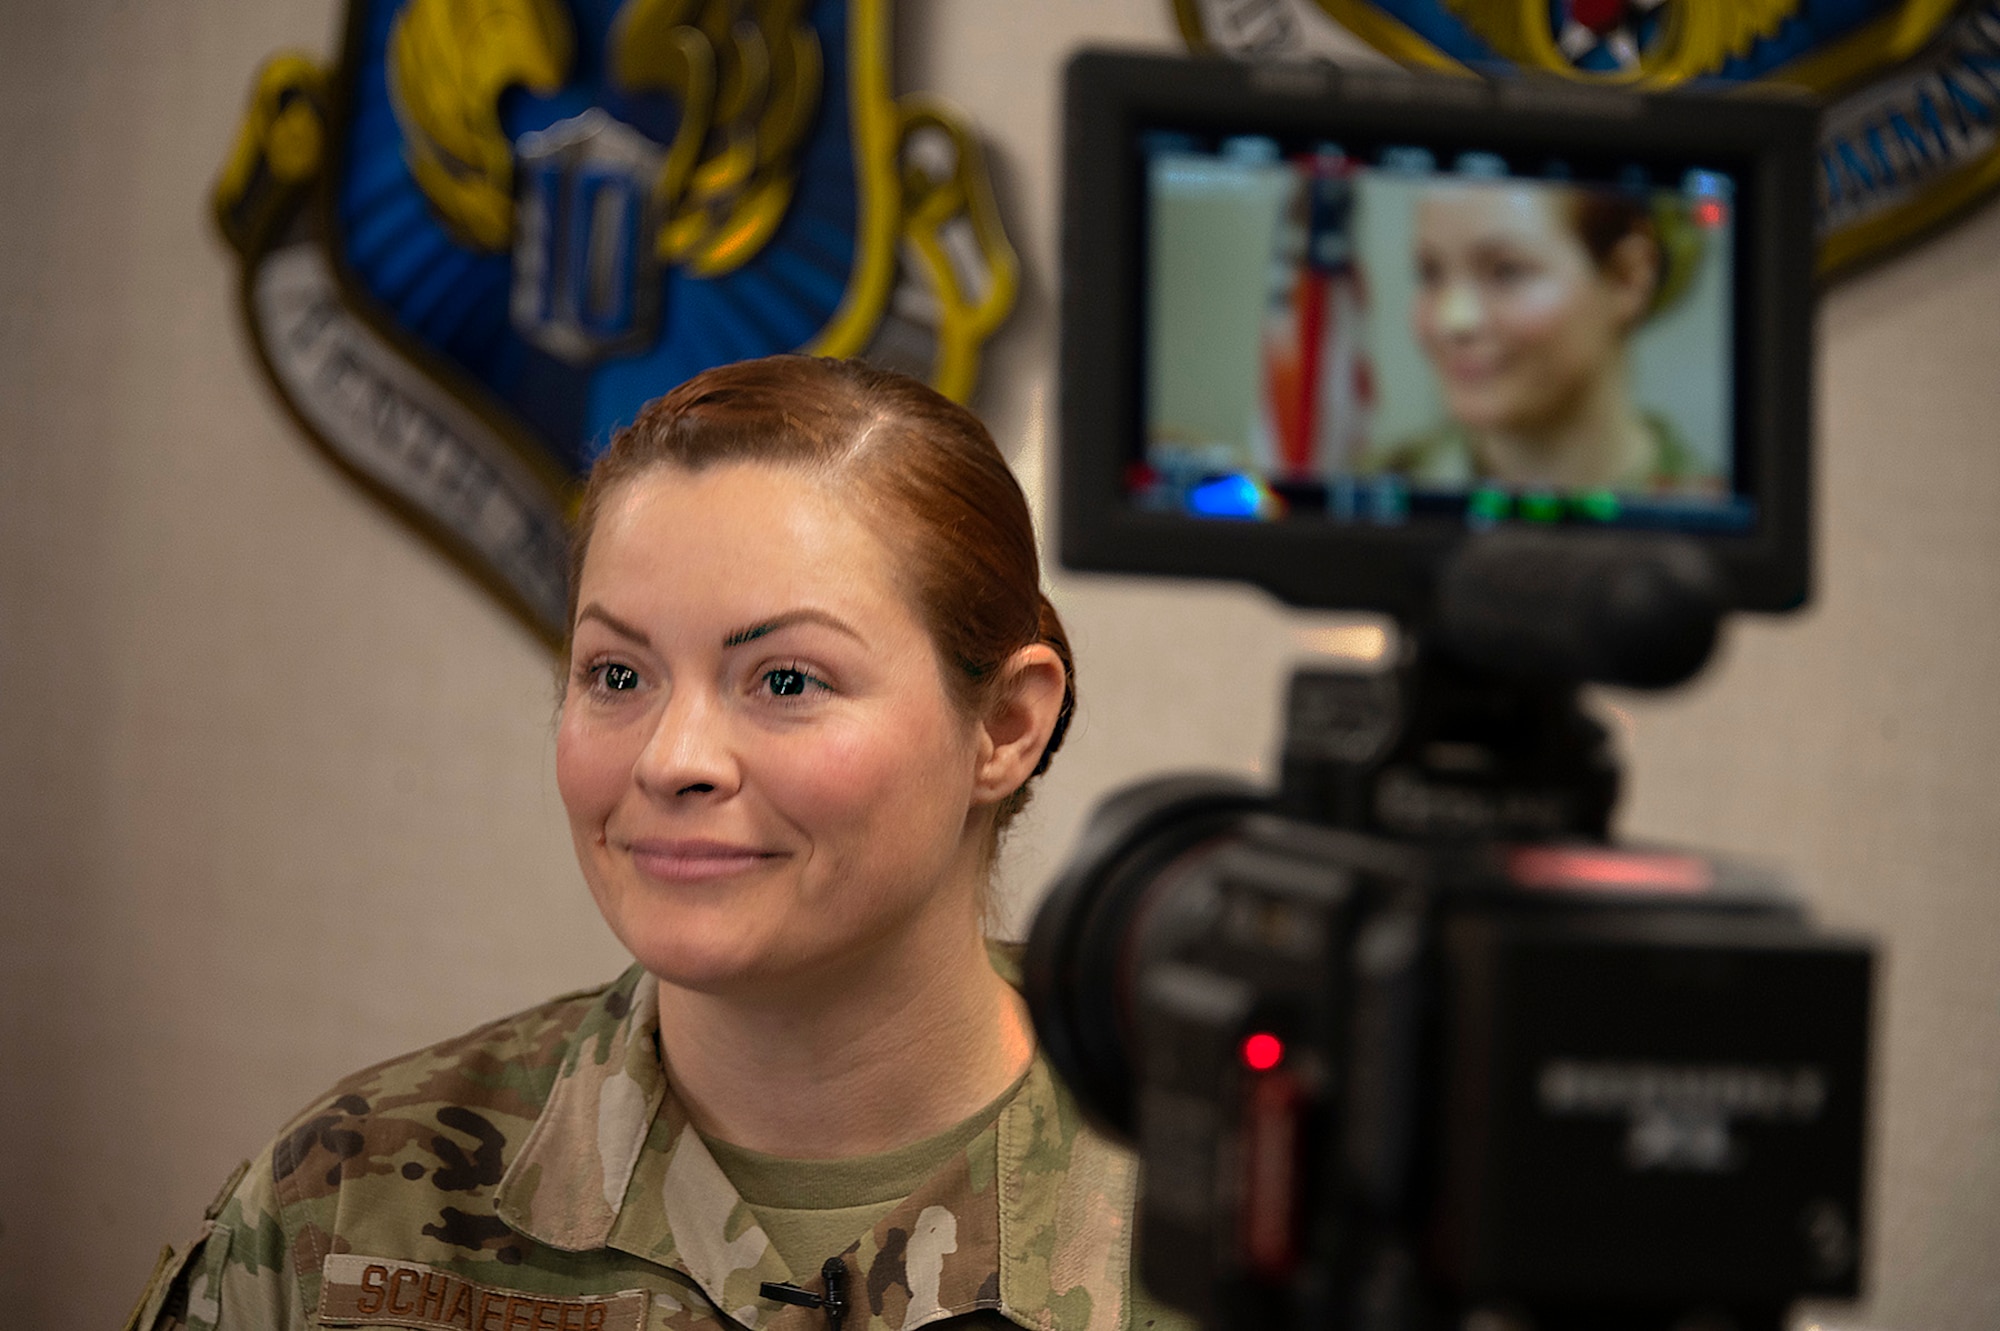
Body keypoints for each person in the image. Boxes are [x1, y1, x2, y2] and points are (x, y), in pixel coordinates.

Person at [125, 356, 1163, 1331]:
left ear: (1006, 726)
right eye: (617, 674)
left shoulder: (1247, 1212)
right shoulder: (347, 1204)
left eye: (787, 679)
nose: (672, 758)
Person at [1365, 179, 1714, 493]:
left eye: (1506, 271)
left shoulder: (1708, 508)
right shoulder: (1375, 486)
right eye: (1431, 273)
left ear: (1627, 277)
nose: (1453, 320)